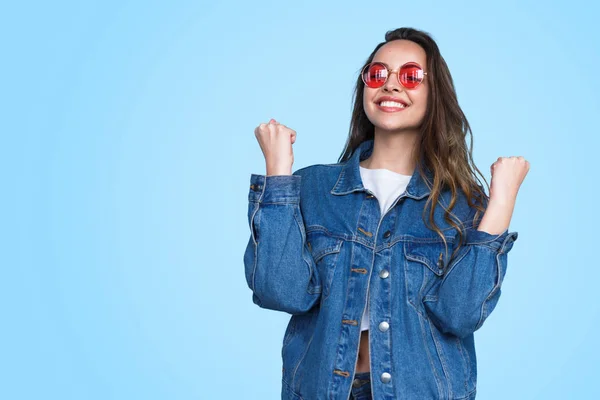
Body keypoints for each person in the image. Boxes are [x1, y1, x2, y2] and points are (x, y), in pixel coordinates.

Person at [243, 27, 529, 400]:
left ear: (433, 93)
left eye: (410, 75)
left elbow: (460, 314)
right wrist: (278, 174)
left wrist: (502, 201)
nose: (391, 85)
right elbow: (282, 293)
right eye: (378, 74)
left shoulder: (460, 204)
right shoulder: (313, 188)